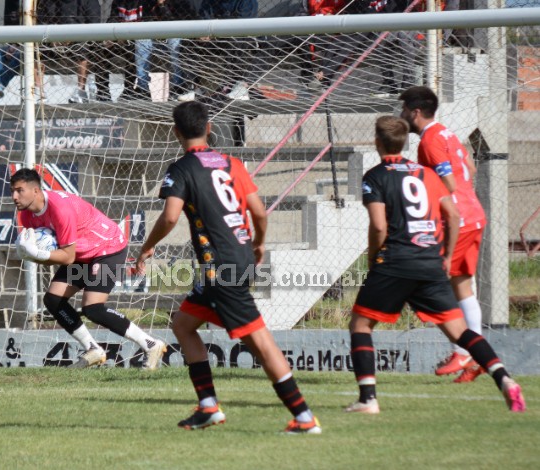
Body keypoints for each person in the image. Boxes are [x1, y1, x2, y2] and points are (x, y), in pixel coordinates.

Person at [135, 101, 321, 433]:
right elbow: (259, 213)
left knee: (261, 343)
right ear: (208, 128)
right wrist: (259, 243)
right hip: (239, 257)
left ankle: (304, 416)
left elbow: (171, 216)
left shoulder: (181, 169)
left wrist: (148, 247)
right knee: (183, 324)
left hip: (220, 266)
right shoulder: (231, 163)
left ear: (176, 132)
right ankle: (208, 406)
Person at [346, 116, 525, 414]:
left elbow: (379, 226)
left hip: (395, 260)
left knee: (361, 325)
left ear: (377, 142)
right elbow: (453, 215)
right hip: (430, 260)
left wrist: (373, 259)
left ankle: (368, 399)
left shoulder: (375, 176)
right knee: (460, 332)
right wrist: (445, 255)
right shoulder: (427, 174)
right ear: (404, 142)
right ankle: (504, 379)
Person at [10, 168, 166, 369]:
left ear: (36, 191)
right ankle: (92, 349)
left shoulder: (60, 209)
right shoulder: (27, 216)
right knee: (53, 299)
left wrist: (36, 254)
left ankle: (151, 344)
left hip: (108, 248)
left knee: (93, 308)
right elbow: (63, 256)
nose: (14, 196)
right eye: (12, 191)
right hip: (82, 254)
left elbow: (67, 257)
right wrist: (33, 255)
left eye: (19, 190)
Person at [399, 86, 488, 383]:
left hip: (457, 222)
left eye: (403, 110)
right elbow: (470, 170)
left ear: (415, 112)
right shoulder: (448, 134)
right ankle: (475, 358)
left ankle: (461, 351)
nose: (401, 115)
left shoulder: (430, 141)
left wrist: (425, 198)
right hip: (474, 215)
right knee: (462, 288)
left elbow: (448, 183)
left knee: (430, 286)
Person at [0, 0, 45, 102]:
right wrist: (13, 44)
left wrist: (17, 45)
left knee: (21, 57)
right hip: (17, 45)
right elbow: (9, 24)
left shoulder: (37, 4)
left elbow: (39, 30)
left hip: (34, 48)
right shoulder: (11, 3)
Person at [134, 0, 195, 101]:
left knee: (174, 41)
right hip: (156, 39)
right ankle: (142, 88)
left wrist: (162, 5)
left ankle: (178, 86)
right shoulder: (147, 2)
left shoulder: (181, 2)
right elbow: (146, 22)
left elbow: (172, 23)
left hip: (173, 38)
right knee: (141, 41)